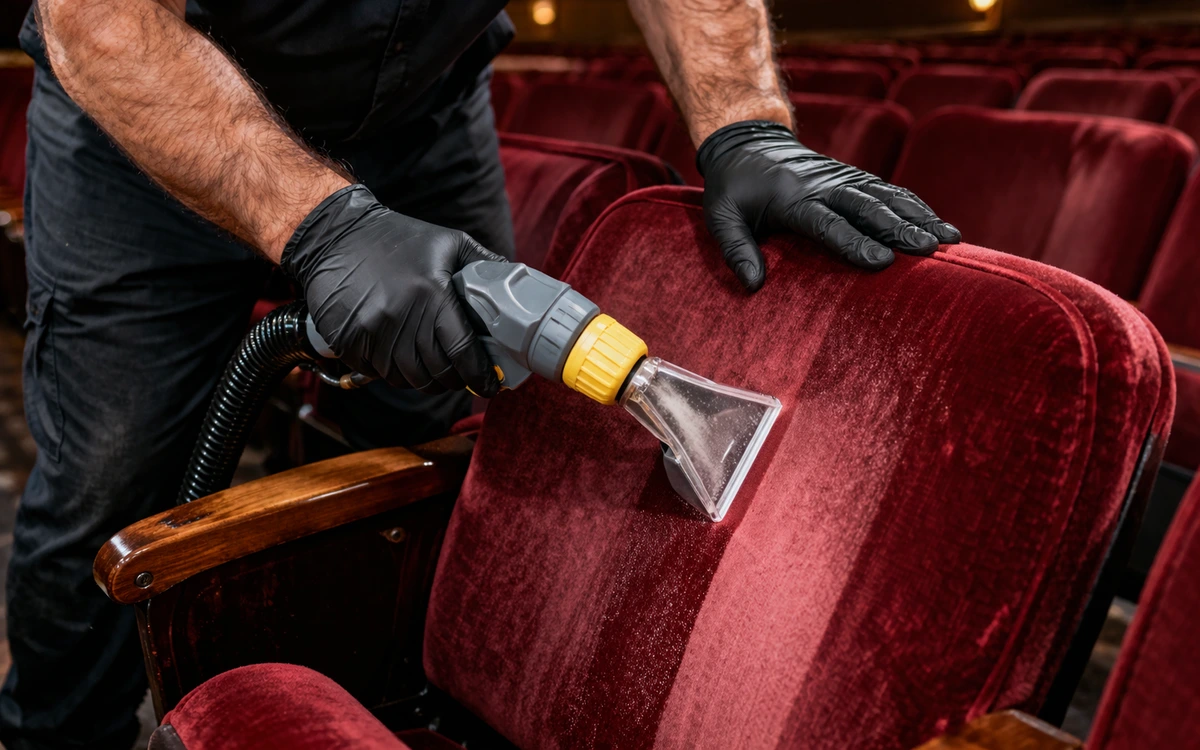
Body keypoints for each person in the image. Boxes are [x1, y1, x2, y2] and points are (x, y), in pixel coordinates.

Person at [1, 0, 960, 747]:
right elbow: (96, 15)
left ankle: (401, 699)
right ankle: (56, 734)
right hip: (145, 114)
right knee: (106, 484)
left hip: (417, 112)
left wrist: (745, 125)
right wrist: (325, 224)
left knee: (460, 436)